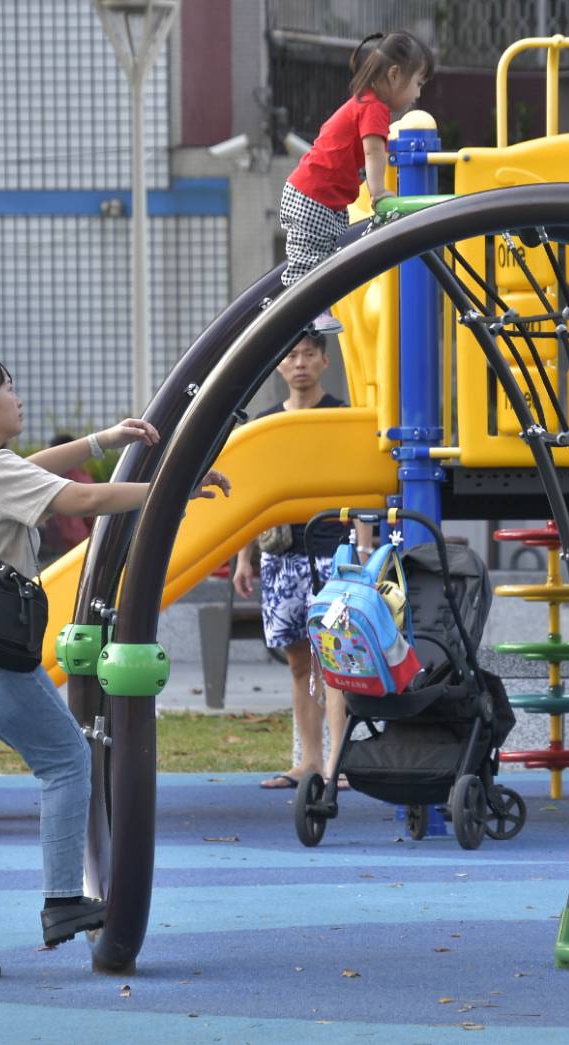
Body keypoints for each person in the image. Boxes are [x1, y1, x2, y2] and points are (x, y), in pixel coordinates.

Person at [0, 351, 228, 981]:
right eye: (10, 389)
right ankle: (60, 900)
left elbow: (29, 472)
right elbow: (89, 496)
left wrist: (102, 438)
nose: (20, 398)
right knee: (67, 760)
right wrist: (178, 485)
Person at [233, 329, 370, 790]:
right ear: (279, 365)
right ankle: (308, 761)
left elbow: (361, 483)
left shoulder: (341, 418)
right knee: (297, 662)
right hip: (282, 556)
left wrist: (365, 547)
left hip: (334, 552)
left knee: (334, 660)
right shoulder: (269, 424)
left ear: (324, 362)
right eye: (291, 355)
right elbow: (252, 496)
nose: (300, 363)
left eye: (309, 354)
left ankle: (337, 763)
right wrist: (242, 558)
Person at [280, 31, 432, 328]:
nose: (417, 94)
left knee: (321, 255)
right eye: (418, 83)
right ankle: (302, 312)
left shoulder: (365, 103)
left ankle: (312, 309)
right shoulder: (374, 108)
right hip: (314, 195)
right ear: (394, 75)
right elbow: (374, 150)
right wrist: (379, 192)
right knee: (308, 260)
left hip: (320, 195)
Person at [37, 433, 97, 563]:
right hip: (75, 548)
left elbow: (82, 525)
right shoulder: (81, 477)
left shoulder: (72, 481)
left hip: (73, 550)